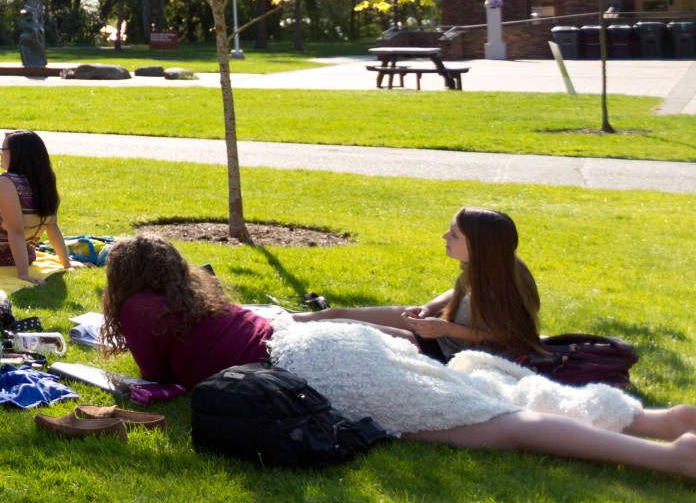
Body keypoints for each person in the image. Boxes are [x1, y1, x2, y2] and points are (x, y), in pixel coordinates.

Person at [101, 230, 696, 480]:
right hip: (328, 343)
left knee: (496, 426)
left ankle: (668, 459)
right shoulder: (199, 296)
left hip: (316, 367)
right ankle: (653, 421)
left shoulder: (139, 310)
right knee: (484, 395)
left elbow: (155, 374)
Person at [296, 208, 543, 361]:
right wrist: (428, 308)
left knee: (342, 327)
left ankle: (271, 333)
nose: (445, 237)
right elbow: (459, 290)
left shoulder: (501, 286)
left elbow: (507, 335)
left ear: (478, 246)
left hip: (444, 350)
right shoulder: (483, 264)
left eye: (454, 234)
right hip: (435, 330)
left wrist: (446, 329)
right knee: (335, 314)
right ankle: (274, 319)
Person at [99, 235, 276, 388]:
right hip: (273, 338)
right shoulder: (195, 287)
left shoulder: (137, 308)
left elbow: (155, 375)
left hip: (258, 370)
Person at [0, 129, 69, 285]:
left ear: (18, 154)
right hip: (26, 255)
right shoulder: (44, 181)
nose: (0, 153)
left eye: (3, 150)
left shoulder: (6, 181)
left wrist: (23, 275)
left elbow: (15, 229)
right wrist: (67, 264)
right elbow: (52, 226)